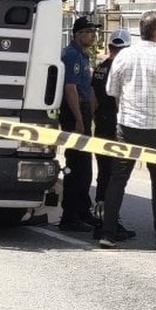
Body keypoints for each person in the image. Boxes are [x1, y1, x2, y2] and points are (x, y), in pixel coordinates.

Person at [100, 11, 156, 251]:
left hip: (127, 126)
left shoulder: (124, 55)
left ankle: (108, 233)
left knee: (118, 179)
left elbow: (110, 89)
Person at [89, 29, 135, 240]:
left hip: (100, 125)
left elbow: (93, 100)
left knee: (103, 175)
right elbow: (119, 100)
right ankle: (110, 224)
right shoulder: (119, 69)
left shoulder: (100, 67)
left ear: (109, 48)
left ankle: (101, 222)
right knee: (114, 177)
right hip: (115, 126)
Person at [57, 16, 100, 232]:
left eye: (94, 31)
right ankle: (70, 216)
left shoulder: (83, 55)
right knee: (76, 166)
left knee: (84, 167)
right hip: (74, 111)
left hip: (82, 109)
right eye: (89, 31)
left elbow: (87, 88)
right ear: (77, 34)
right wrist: (79, 120)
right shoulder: (72, 55)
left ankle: (83, 211)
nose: (93, 35)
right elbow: (70, 89)